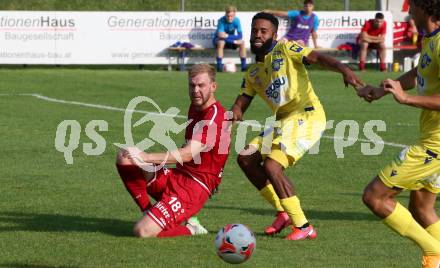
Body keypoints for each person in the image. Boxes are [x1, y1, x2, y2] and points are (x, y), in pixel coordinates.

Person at [231, 12, 363, 240]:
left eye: (263, 31)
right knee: (246, 157)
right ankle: (283, 211)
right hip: (283, 121)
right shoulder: (253, 72)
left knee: (272, 166)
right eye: (254, 31)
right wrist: (233, 112)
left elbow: (318, 58)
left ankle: (303, 226)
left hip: (307, 115)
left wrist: (344, 69)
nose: (258, 35)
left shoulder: (286, 49)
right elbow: (242, 101)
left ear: (274, 34)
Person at [357, 0, 440, 266]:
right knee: (421, 207)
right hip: (432, 138)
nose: (408, 10)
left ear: (426, 7)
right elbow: (419, 72)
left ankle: (433, 252)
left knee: (375, 196)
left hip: (436, 145)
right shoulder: (430, 39)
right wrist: (383, 90)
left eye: (412, 5)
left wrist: (407, 99)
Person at [116, 64, 231, 238]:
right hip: (178, 176)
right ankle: (148, 211)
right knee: (125, 156)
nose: (196, 91)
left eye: (201, 85)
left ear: (213, 86)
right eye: (192, 86)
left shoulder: (215, 116)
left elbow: (187, 154)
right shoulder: (195, 107)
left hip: (194, 188)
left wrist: (146, 157)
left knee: (142, 231)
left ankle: (192, 229)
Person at [213, 5, 247, 72]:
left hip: (229, 40)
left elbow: (240, 36)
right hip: (218, 41)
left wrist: (227, 36)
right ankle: (219, 67)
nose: (229, 18)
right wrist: (233, 41)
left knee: (242, 42)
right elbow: (220, 36)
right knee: (221, 42)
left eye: (231, 16)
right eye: (228, 16)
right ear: (225, 14)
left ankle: (244, 67)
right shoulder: (221, 21)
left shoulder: (237, 21)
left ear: (234, 15)